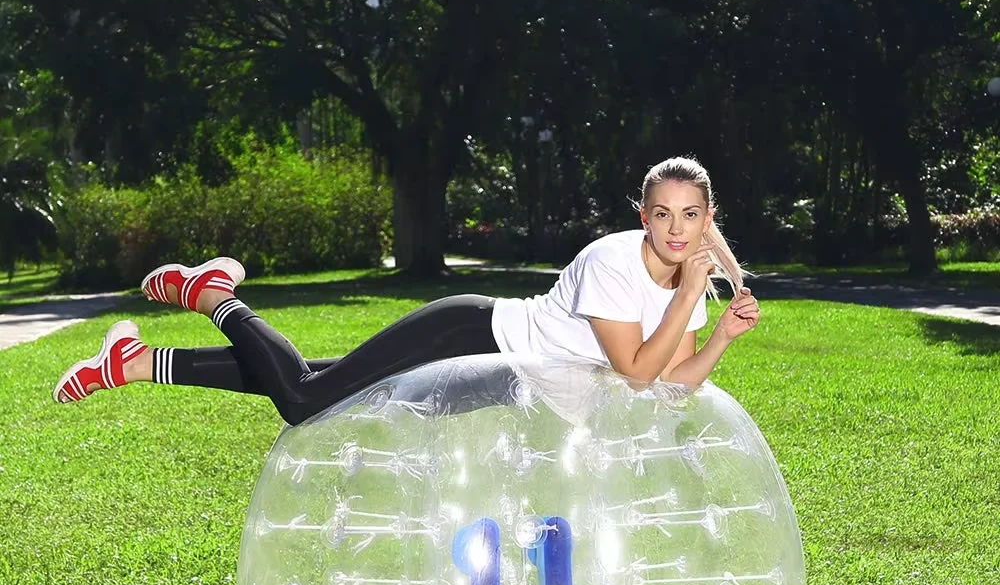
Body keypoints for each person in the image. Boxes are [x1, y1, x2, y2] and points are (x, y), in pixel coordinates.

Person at [53, 156, 761, 426]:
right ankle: (215, 295)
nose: (675, 230)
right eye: (662, 214)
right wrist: (684, 300)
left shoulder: (689, 290)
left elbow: (674, 382)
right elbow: (636, 374)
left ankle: (136, 362)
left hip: (501, 384)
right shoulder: (613, 261)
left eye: (690, 216)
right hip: (470, 337)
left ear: (707, 217)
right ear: (643, 215)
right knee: (304, 403)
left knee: (323, 384)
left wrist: (722, 334)